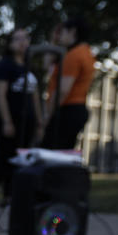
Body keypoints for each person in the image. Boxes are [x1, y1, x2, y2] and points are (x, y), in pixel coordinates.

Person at [0, 28, 44, 206]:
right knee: (6, 158)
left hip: (28, 122)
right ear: (10, 44)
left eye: (25, 38)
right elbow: (0, 95)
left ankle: (11, 196)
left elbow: (35, 96)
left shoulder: (28, 66)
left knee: (22, 159)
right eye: (18, 39)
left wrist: (40, 121)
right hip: (11, 120)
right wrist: (7, 121)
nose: (23, 42)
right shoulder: (5, 65)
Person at [41, 16, 95, 150]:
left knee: (51, 151)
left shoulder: (74, 55)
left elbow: (63, 90)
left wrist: (48, 115)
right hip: (76, 108)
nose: (60, 36)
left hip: (67, 110)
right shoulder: (86, 52)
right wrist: (53, 41)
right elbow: (46, 65)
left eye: (63, 32)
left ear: (73, 32)